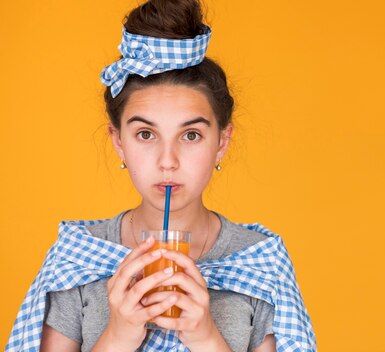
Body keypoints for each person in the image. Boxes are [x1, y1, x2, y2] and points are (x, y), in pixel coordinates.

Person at [4, 0, 315, 351]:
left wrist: (206, 337)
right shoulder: (76, 259)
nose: (168, 161)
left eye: (191, 135)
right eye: (146, 135)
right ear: (119, 141)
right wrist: (117, 336)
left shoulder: (261, 264)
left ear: (221, 143)